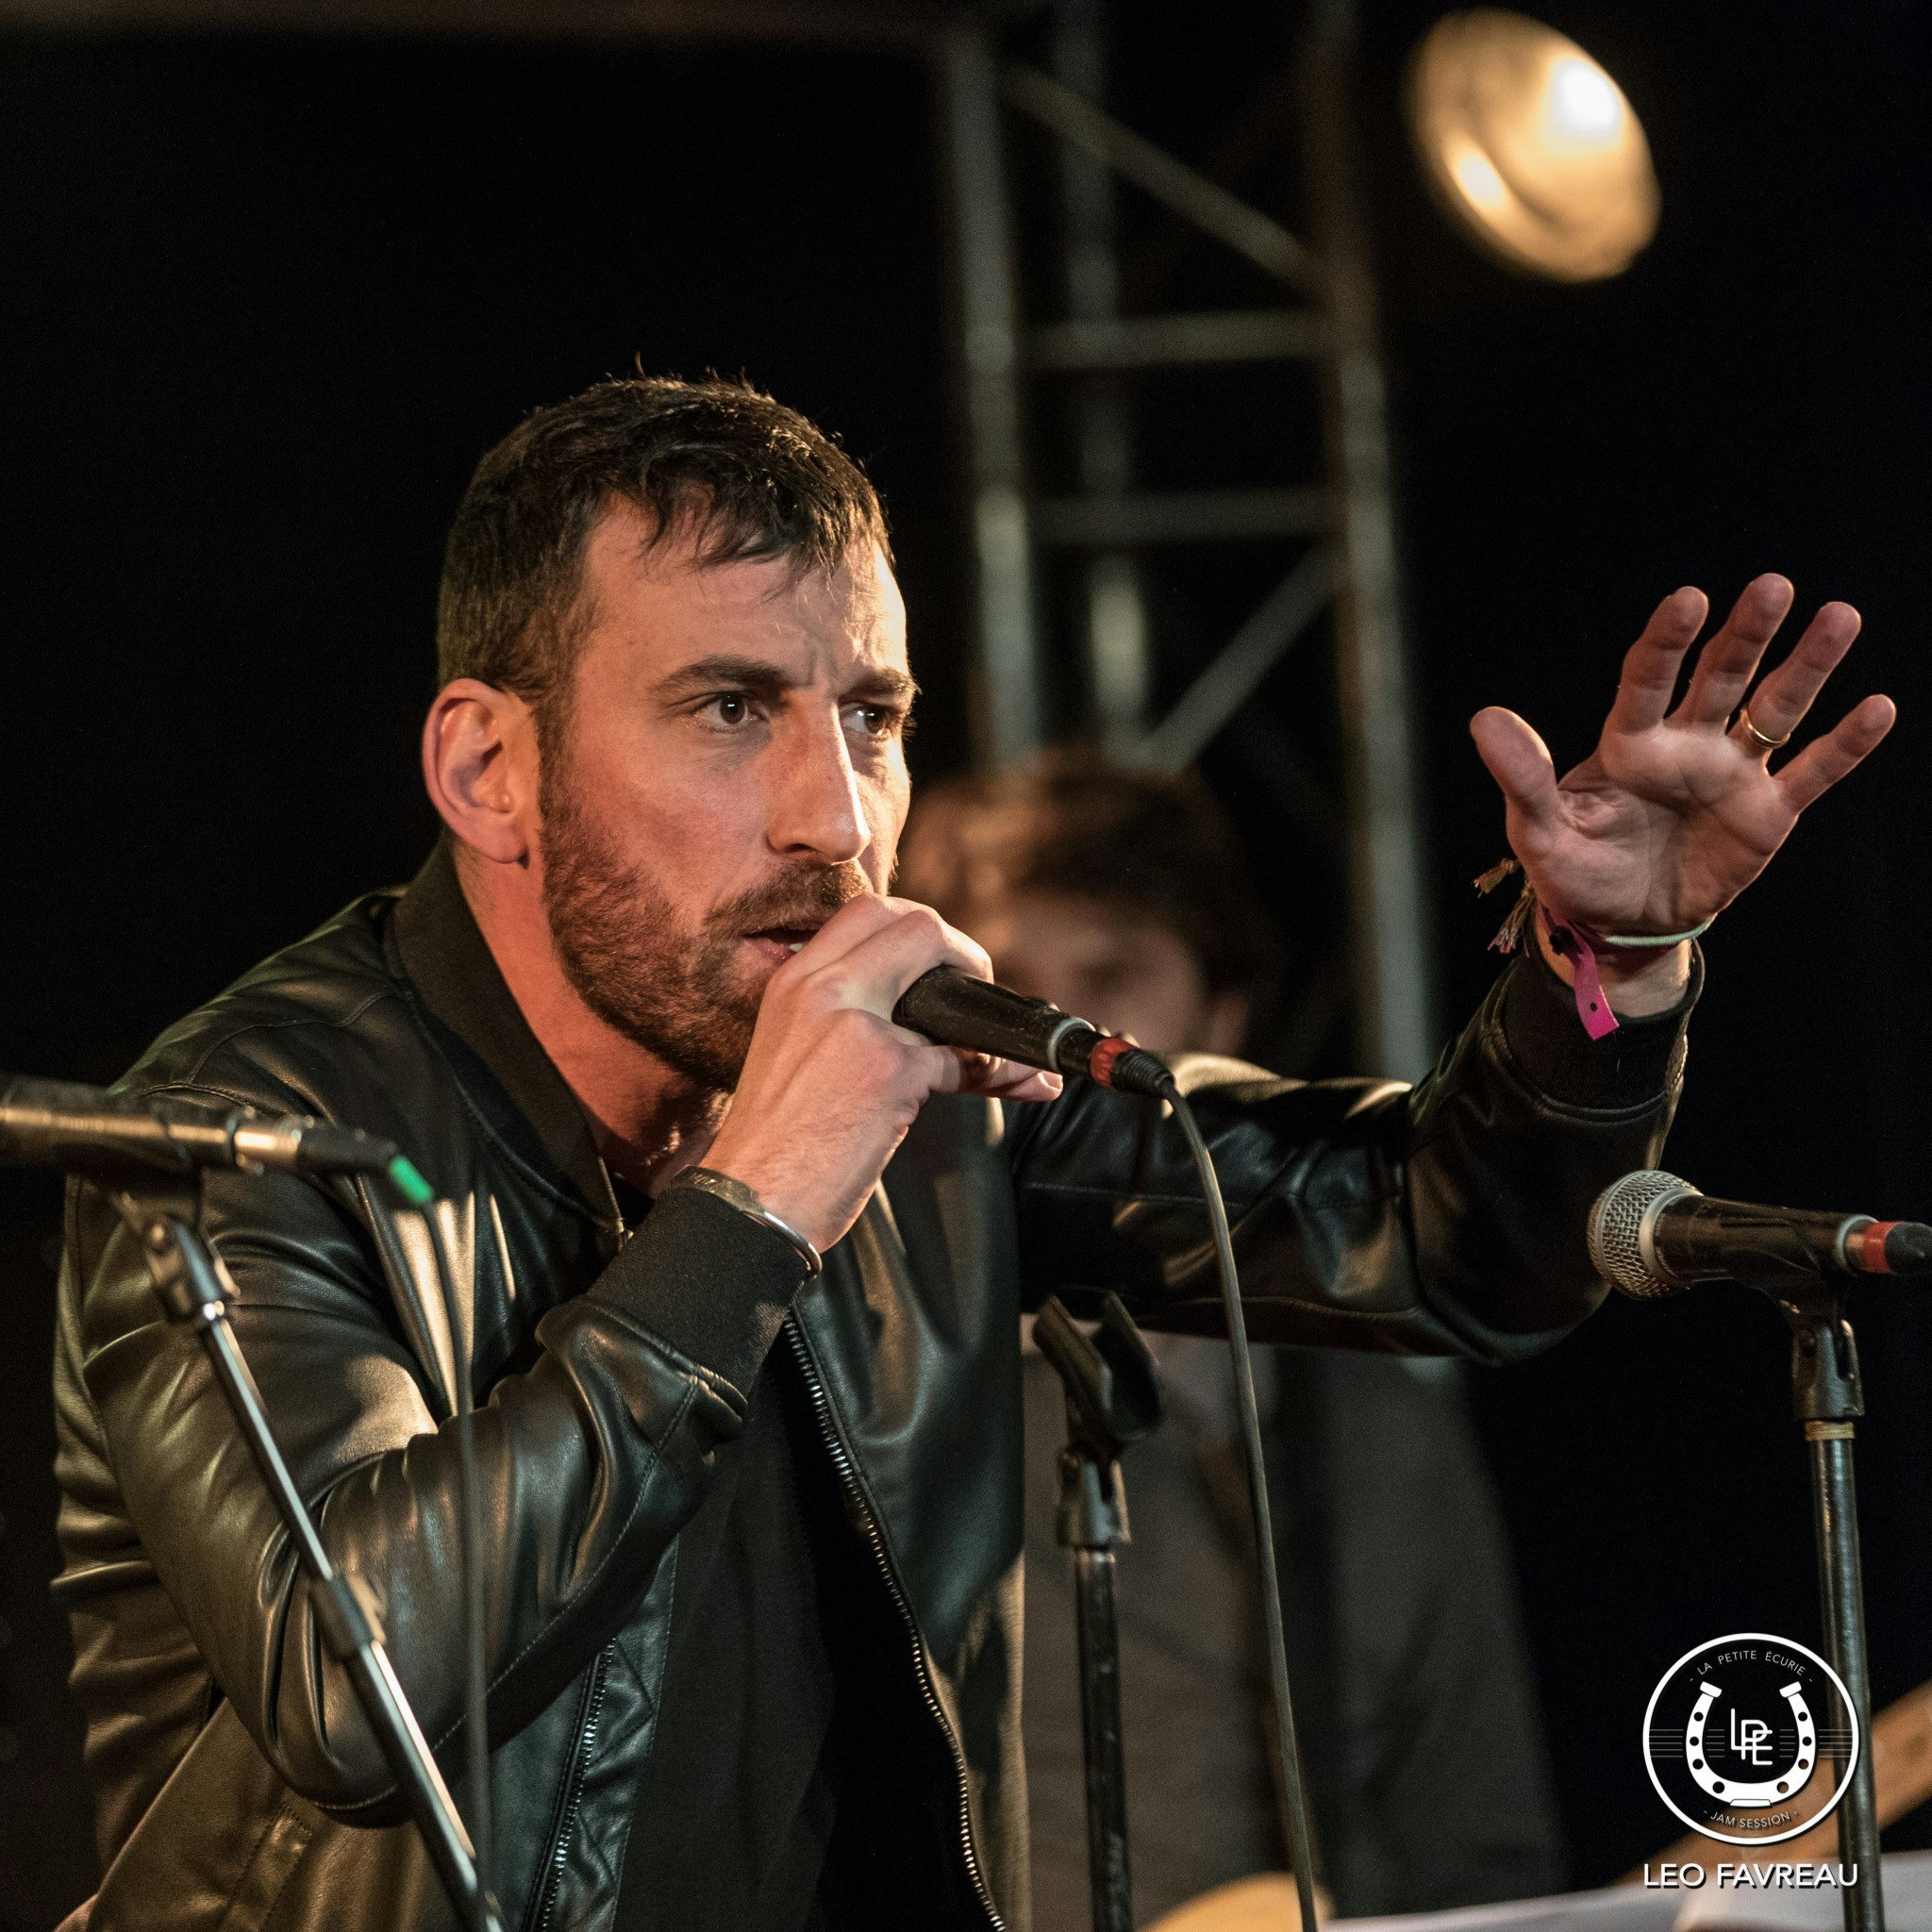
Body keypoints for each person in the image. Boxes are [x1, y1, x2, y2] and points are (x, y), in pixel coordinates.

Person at [48, 375, 1890, 1932]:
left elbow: (1441, 1243)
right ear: (486, 770)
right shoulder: (242, 1127)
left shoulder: (909, 1090)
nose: (833, 816)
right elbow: (360, 1684)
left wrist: (1600, 965)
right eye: (727, 708)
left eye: (870, 717)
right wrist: (756, 1200)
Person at [897, 758, 1566, 1925]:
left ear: (1223, 1017)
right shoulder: (895, 1398)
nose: (1048, 1042)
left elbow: (1480, 1850)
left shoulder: (1377, 1434)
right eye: (1006, 991)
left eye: (1109, 979)